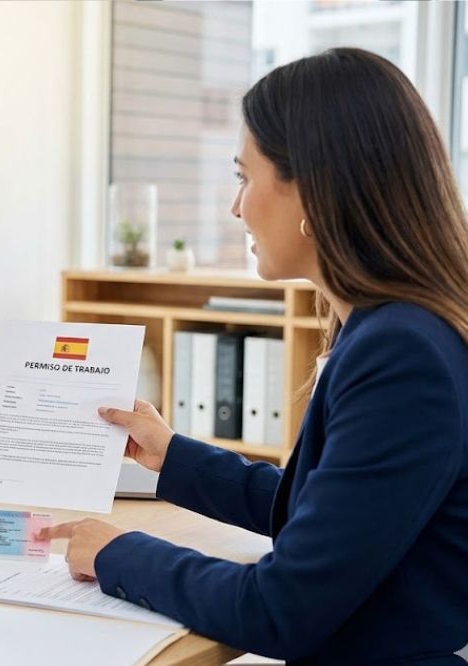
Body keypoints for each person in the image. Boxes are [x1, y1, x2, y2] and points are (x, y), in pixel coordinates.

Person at [41, 48, 468, 661]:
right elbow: (322, 513)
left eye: (244, 177)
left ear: (314, 191)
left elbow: (279, 608)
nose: (235, 207)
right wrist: (173, 454)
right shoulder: (393, 330)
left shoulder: (401, 356)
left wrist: (118, 553)